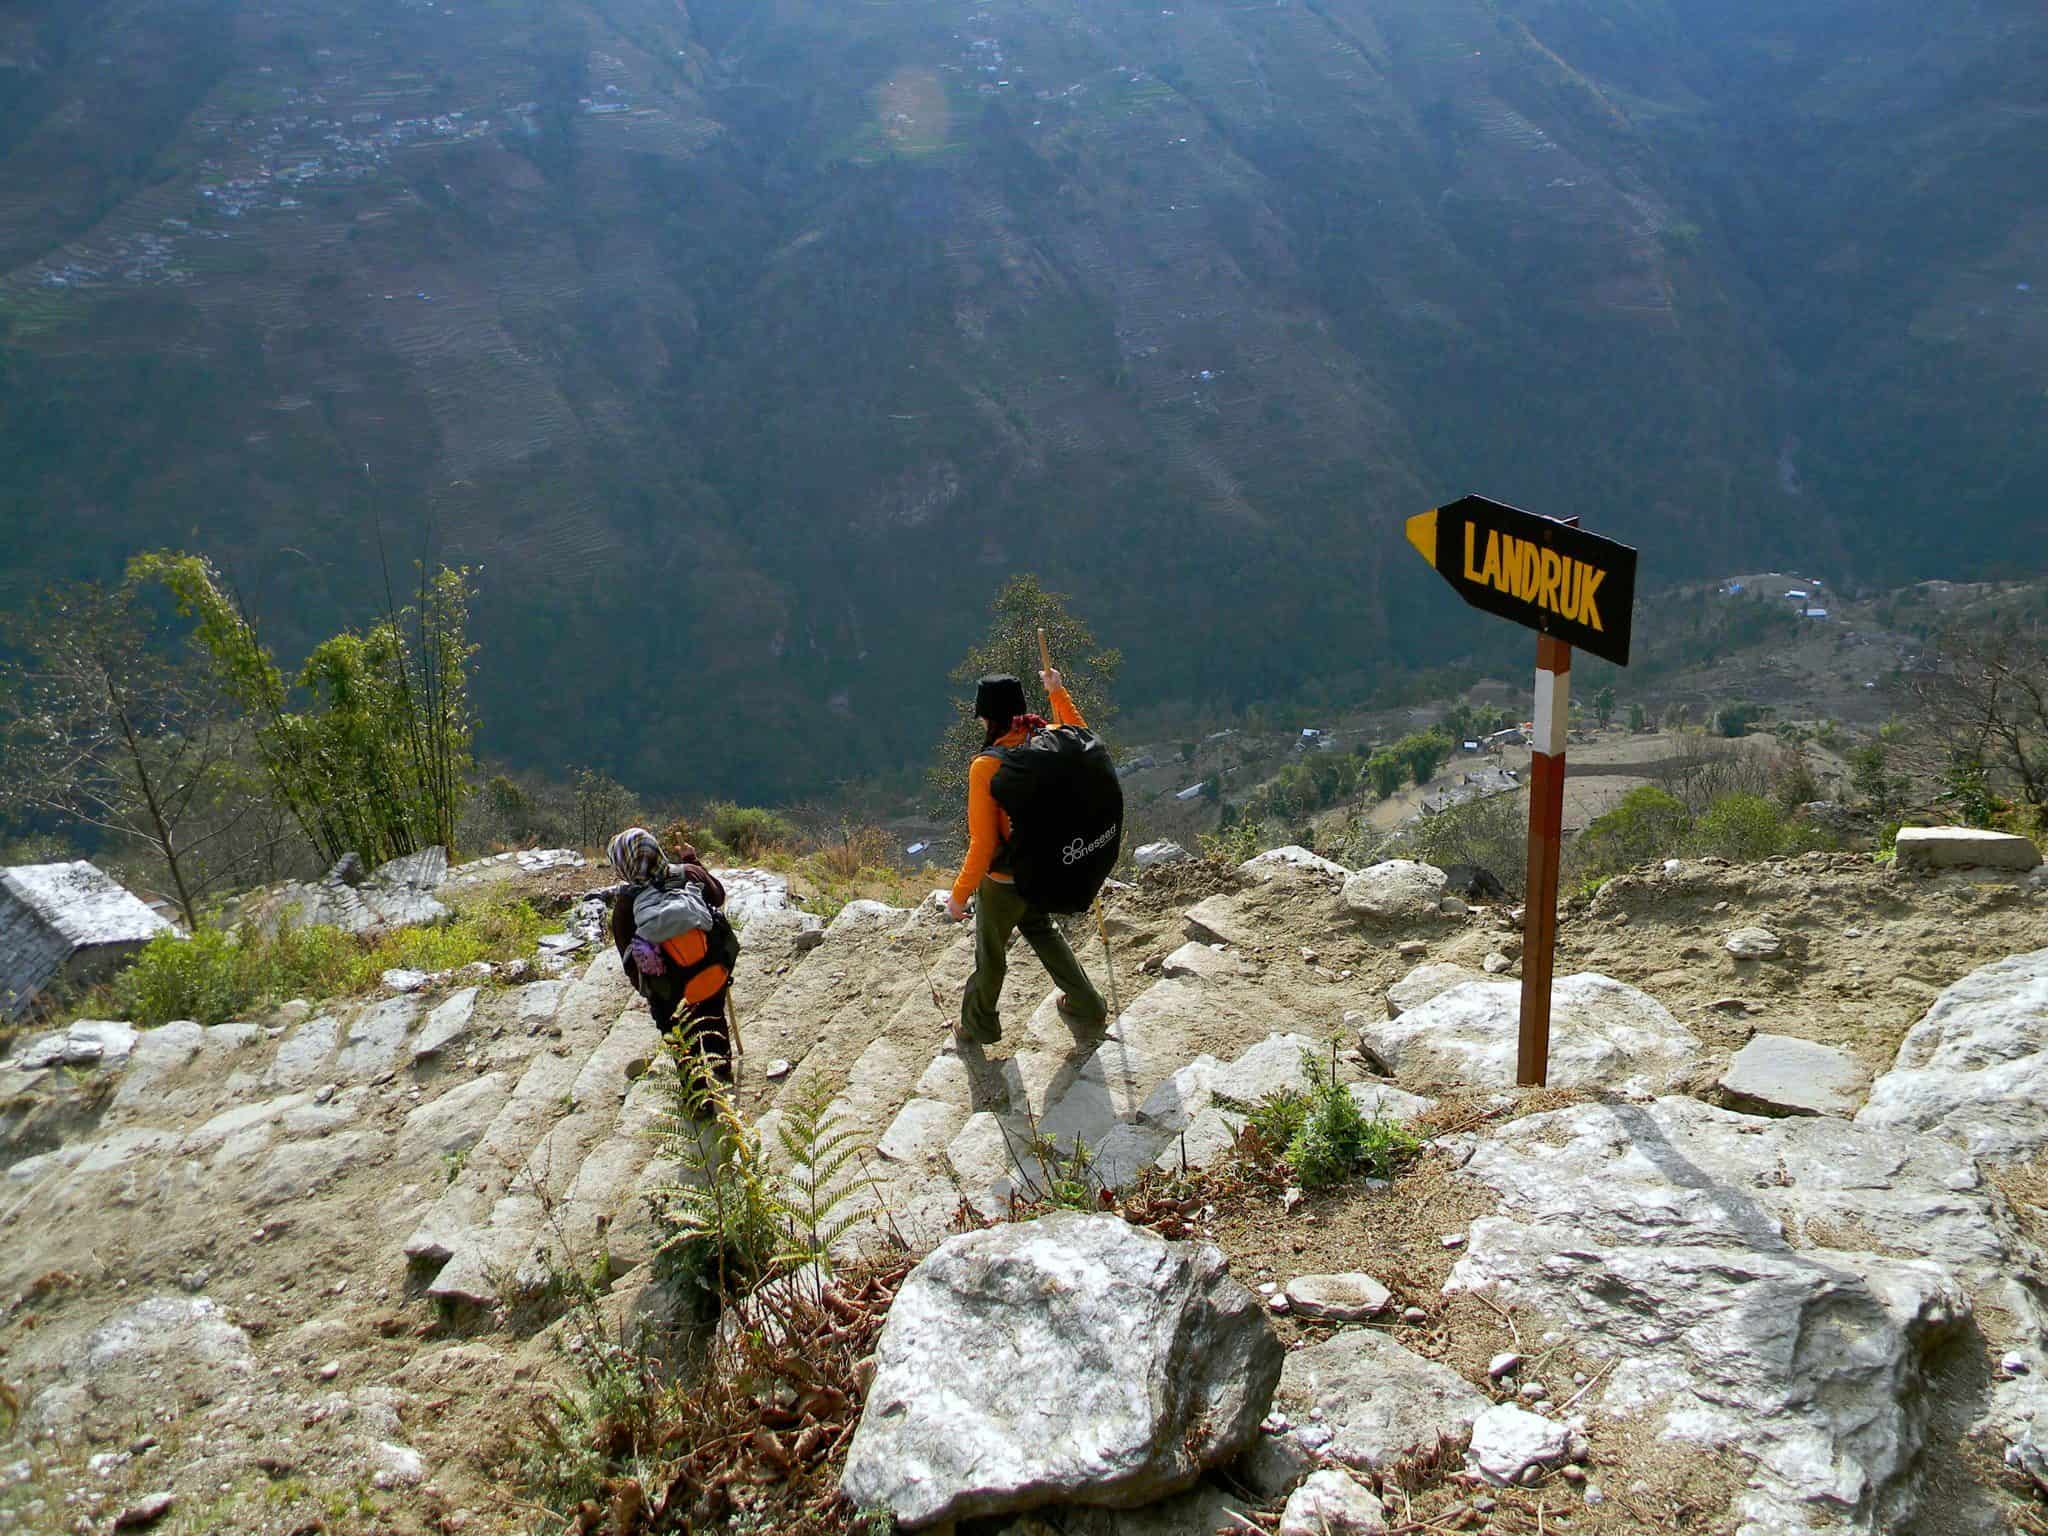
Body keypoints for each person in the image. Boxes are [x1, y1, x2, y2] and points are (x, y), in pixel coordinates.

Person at [944, 667, 1110, 1045]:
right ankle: (1087, 1003)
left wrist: (959, 896)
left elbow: (983, 843)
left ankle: (977, 1024)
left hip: (1004, 882)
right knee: (1040, 929)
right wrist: (1057, 692)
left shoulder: (987, 766)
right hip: (1044, 868)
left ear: (986, 717)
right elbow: (1083, 737)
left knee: (990, 952)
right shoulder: (1046, 738)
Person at [603, 827, 736, 1085]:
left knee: (679, 1035)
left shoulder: (626, 905)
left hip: (668, 991)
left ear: (623, 865)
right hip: (711, 971)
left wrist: (651, 992)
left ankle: (698, 1098)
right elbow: (718, 896)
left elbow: (628, 959)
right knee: (712, 1014)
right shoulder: (688, 874)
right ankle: (722, 1070)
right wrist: (692, 860)